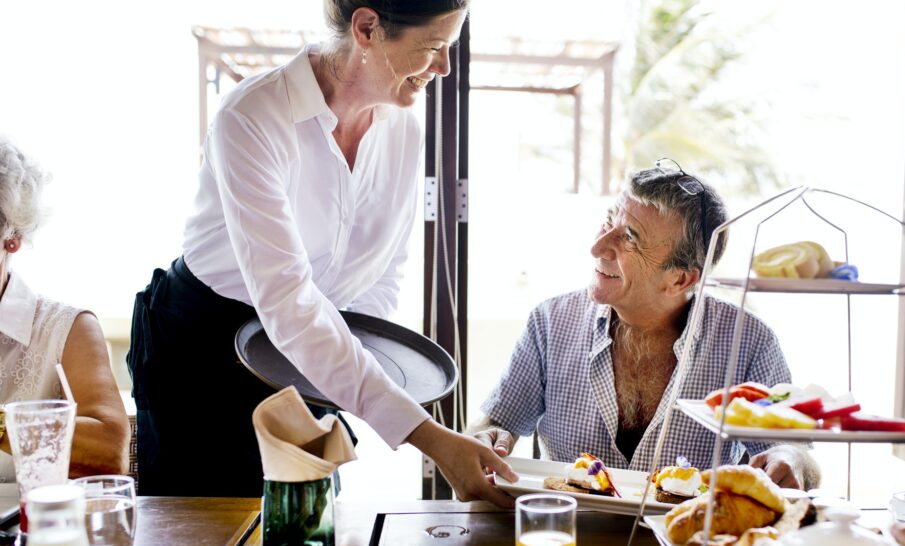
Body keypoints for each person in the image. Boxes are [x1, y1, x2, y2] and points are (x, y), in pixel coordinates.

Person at [128, 0, 517, 501]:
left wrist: (346, 383)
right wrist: (431, 439)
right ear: (368, 27)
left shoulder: (403, 132)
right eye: (433, 48)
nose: (443, 67)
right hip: (207, 352)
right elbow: (288, 301)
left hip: (315, 349)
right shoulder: (253, 118)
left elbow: (382, 275)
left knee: (307, 534)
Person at [472, 163, 819, 488]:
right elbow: (496, 423)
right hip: (569, 535)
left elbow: (797, 453)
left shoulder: (748, 340)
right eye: (608, 222)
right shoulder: (550, 322)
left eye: (629, 238)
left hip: (689, 543)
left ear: (680, 279)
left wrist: (789, 459)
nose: (597, 247)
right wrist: (487, 438)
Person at [0, 138, 130, 478]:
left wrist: (1, 423)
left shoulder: (67, 329)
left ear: (11, 237)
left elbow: (111, 452)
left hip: (36, 529)